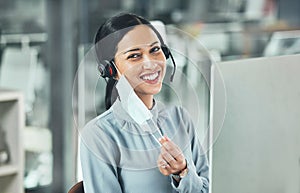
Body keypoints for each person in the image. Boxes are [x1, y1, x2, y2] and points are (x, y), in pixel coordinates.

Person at [80, 12, 209, 193]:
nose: (150, 64)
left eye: (155, 50)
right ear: (110, 69)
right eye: (134, 56)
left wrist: (182, 172)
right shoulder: (99, 135)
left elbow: (208, 189)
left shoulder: (180, 118)